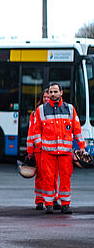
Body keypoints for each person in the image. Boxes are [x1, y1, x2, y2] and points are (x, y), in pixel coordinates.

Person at [28, 82, 85, 214]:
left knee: (65, 178)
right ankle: (49, 203)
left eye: (55, 92)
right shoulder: (41, 110)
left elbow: (77, 130)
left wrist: (82, 147)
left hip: (65, 152)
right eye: (51, 92)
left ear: (61, 93)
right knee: (48, 178)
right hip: (48, 152)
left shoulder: (70, 109)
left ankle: (65, 204)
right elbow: (36, 131)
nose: (52, 94)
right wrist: (40, 145)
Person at [26, 89, 54, 210]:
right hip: (39, 149)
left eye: (48, 97)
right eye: (45, 97)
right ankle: (39, 200)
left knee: (52, 176)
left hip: (52, 149)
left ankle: (53, 199)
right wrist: (30, 151)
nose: (47, 99)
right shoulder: (35, 113)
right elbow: (31, 133)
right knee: (41, 176)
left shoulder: (54, 112)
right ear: (42, 99)